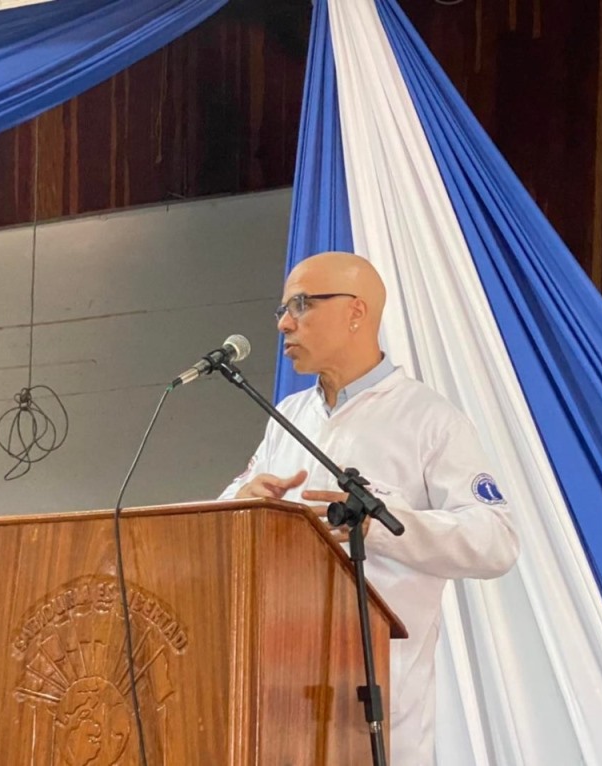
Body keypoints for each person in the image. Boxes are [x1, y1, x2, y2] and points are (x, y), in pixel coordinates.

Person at [219, 251, 519, 765]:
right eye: (283, 309)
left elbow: (496, 541)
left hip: (380, 704)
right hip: (279, 696)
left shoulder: (430, 420)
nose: (284, 323)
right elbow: (231, 503)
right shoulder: (288, 416)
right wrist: (237, 506)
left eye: (302, 304)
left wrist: (381, 526)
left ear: (357, 312)